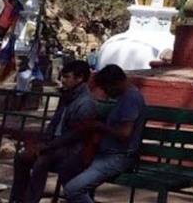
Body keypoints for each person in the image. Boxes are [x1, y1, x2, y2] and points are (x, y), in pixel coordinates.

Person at [9, 60, 98, 203]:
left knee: (42, 161)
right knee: (22, 157)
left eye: (67, 77)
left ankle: (31, 200)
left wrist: (46, 146)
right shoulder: (66, 97)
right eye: (62, 76)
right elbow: (54, 124)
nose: (63, 80)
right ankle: (18, 199)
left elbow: (75, 135)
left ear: (79, 78)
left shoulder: (86, 103)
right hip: (54, 145)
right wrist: (42, 142)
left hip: (71, 149)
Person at [62, 65, 147, 203]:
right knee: (68, 168)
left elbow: (125, 133)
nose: (107, 93)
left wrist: (100, 127)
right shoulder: (124, 97)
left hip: (118, 156)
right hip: (105, 153)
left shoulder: (130, 99)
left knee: (73, 189)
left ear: (116, 83)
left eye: (107, 88)